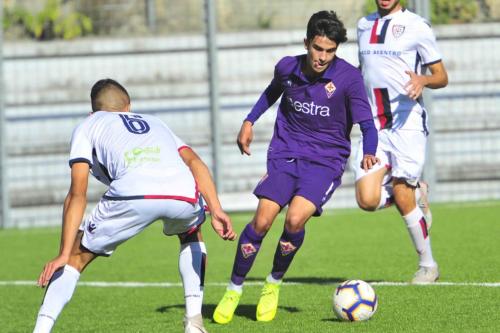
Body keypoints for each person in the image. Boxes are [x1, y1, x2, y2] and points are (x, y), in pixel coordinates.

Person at [213, 10, 379, 324]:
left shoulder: (348, 78)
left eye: (330, 51)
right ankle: (233, 289)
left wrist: (369, 152)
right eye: (318, 49)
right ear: (306, 43)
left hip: (326, 161)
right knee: (261, 222)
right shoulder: (287, 67)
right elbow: (272, 92)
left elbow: (368, 126)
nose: (323, 57)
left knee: (294, 219)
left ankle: (272, 284)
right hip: (285, 154)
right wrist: (249, 121)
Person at [32, 78, 237, 333]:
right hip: (182, 191)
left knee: (75, 257)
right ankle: (194, 324)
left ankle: (40, 330)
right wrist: (216, 208)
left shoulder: (88, 124)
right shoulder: (155, 121)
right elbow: (194, 161)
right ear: (128, 106)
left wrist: (63, 252)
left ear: (92, 111)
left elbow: (77, 193)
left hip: (134, 193)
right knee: (192, 232)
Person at [354, 0, 448, 283]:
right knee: (367, 200)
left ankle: (428, 265)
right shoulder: (363, 25)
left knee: (401, 191)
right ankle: (415, 190)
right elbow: (363, 73)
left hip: (406, 124)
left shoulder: (418, 26)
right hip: (374, 126)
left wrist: (423, 80)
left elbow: (442, 76)